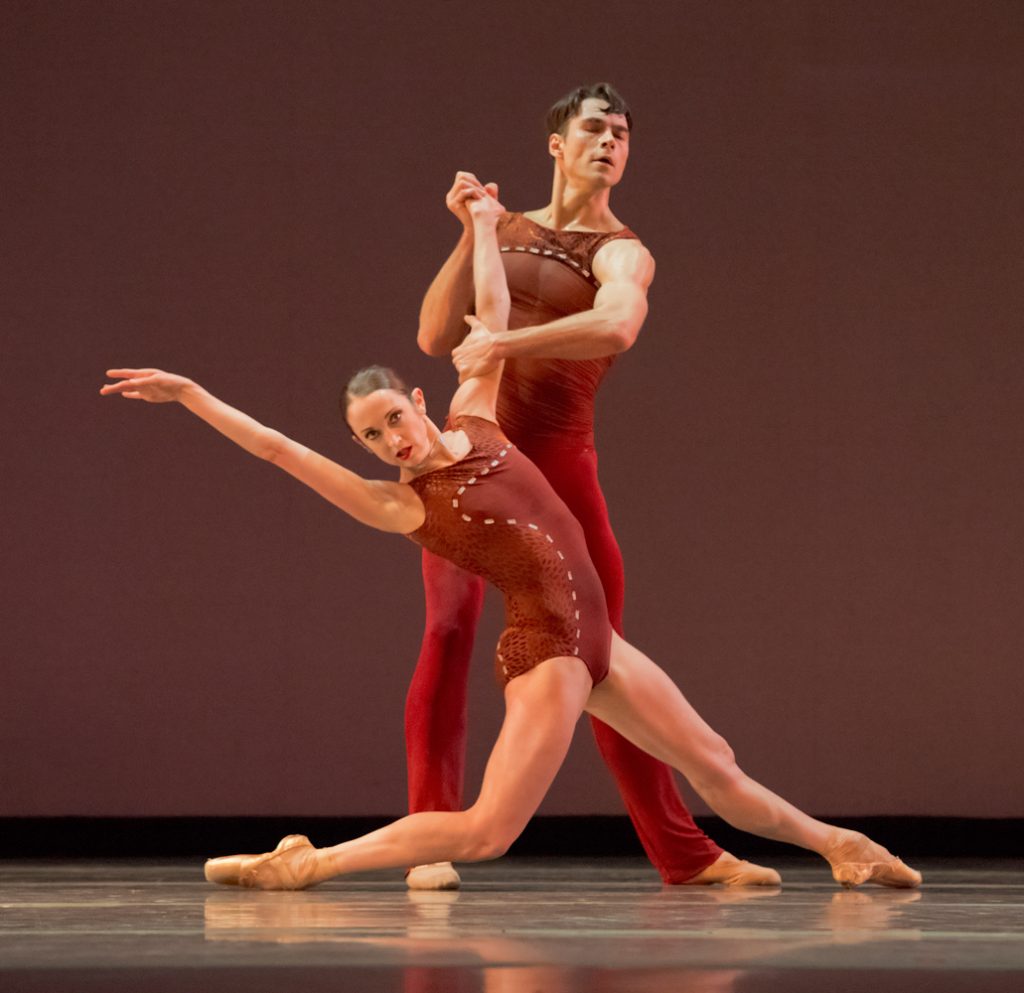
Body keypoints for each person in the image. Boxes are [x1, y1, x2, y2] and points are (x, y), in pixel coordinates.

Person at [100, 189, 922, 894]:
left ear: (419, 401)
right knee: (488, 829)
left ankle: (841, 846)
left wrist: (486, 222)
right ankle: (305, 865)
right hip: (547, 651)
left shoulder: (479, 414)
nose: (393, 439)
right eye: (373, 437)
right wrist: (195, 395)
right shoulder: (404, 508)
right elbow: (282, 450)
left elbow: (490, 318)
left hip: (597, 642)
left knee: (716, 763)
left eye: (393, 418)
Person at [406, 81, 771, 891]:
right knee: (448, 631)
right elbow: (434, 334)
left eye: (623, 134)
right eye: (595, 128)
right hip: (478, 463)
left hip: (561, 466)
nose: (611, 142)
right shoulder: (507, 229)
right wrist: (474, 232)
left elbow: (616, 325)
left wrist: (500, 337)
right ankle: (429, 837)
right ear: (556, 144)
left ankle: (687, 853)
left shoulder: (622, 252)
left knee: (600, 662)